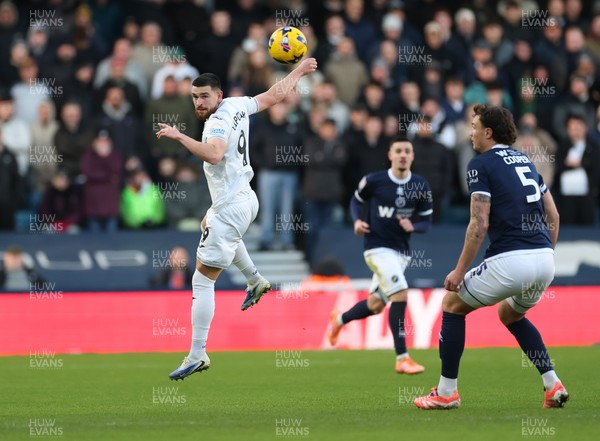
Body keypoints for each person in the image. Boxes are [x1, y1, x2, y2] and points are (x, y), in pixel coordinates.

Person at [155, 56, 318, 380]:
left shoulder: (215, 122)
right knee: (214, 227)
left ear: (218, 95)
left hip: (232, 205)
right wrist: (298, 71)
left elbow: (214, 153)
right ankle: (255, 279)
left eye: (204, 96)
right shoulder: (237, 104)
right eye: (194, 97)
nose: (199, 102)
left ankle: (197, 354)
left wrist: (178, 136)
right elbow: (273, 96)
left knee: (201, 281)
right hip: (244, 198)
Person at [414, 105, 568, 410]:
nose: (470, 133)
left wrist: (459, 271)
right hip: (545, 259)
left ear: (488, 132)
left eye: (473, 126)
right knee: (510, 315)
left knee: (452, 306)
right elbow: (554, 214)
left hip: (511, 260)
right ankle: (552, 384)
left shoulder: (480, 164)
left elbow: (479, 223)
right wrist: (545, 252)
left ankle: (446, 393)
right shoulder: (525, 160)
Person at [328, 137, 433, 374]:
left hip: (401, 254)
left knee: (375, 305)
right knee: (401, 293)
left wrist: (413, 226)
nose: (403, 155)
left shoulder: (420, 185)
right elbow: (356, 201)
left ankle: (339, 320)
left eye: (407, 151)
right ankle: (402, 358)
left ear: (413, 156)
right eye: (398, 151)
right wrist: (357, 221)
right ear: (390, 155)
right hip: (376, 248)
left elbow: (426, 221)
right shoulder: (375, 180)